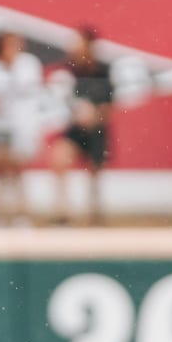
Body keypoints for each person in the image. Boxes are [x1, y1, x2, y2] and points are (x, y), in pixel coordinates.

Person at [0, 30, 45, 227]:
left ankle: (21, 215)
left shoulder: (28, 64)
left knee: (17, 171)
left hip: (20, 125)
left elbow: (28, 91)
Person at [48, 25, 113, 226]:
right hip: (75, 128)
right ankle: (63, 212)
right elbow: (60, 100)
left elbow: (110, 106)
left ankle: (94, 215)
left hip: (96, 129)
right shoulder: (69, 70)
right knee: (59, 159)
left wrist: (94, 116)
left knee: (94, 173)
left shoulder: (102, 71)